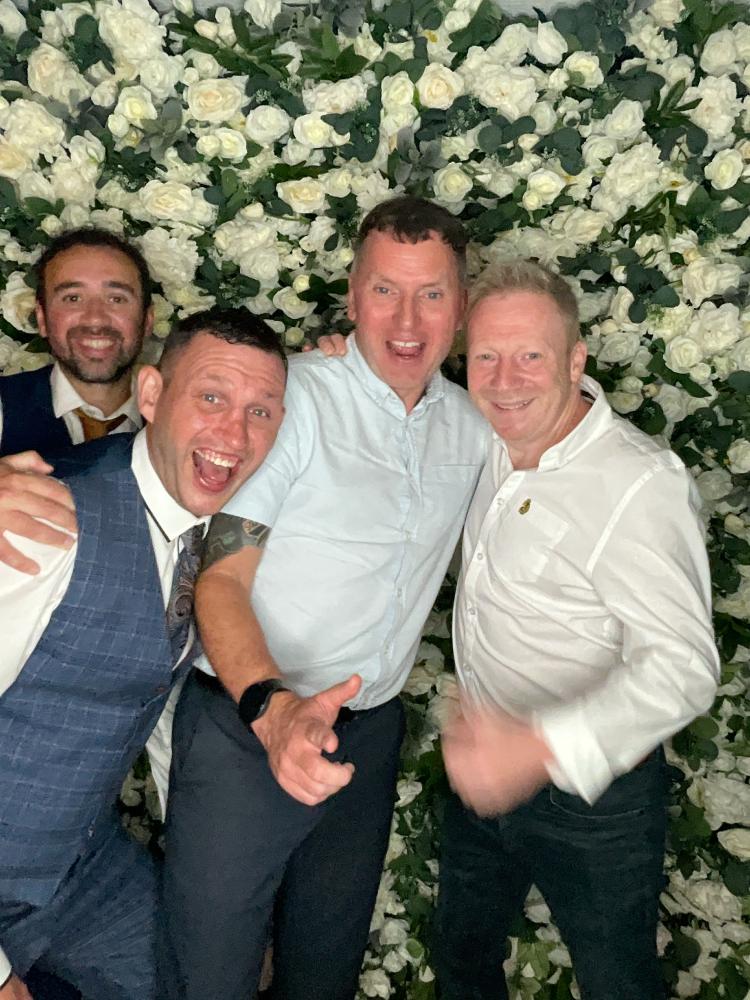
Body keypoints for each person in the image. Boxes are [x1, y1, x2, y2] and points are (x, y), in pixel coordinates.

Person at [159, 196, 489, 1000]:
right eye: (384, 290)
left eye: (431, 293)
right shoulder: (294, 398)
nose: (405, 320)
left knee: (324, 973)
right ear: (352, 296)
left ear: (461, 307)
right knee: (208, 977)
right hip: (245, 725)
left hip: (366, 736)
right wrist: (274, 715)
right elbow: (221, 577)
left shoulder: (476, 428)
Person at [434, 261, 720, 1000]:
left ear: (575, 360)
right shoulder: (484, 434)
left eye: (529, 355)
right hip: (481, 768)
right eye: (486, 356)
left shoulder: (639, 483)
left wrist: (533, 749)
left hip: (595, 802)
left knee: (616, 981)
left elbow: (684, 669)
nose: (504, 380)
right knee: (461, 958)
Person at [0, 308, 287, 1000]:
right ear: (151, 394)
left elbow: (138, 693)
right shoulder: (42, 523)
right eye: (211, 397)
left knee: (217, 968)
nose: (234, 435)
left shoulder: (206, 538)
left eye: (260, 411)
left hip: (81, 868)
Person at [0, 228, 154, 461]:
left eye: (116, 299)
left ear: (148, 320)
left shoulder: (183, 418)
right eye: (73, 298)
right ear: (42, 319)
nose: (95, 319)